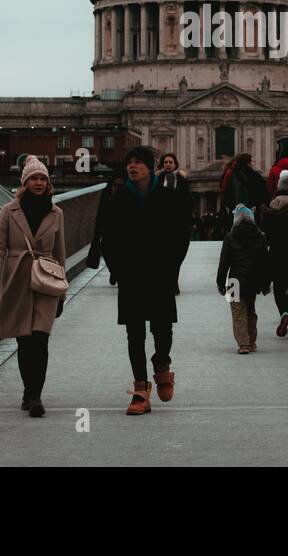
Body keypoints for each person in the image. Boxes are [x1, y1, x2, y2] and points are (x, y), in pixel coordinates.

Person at [100, 145, 192, 415]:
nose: (132, 166)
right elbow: (108, 236)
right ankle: (140, 390)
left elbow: (180, 233)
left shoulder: (167, 197)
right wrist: (116, 269)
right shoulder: (118, 198)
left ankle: (162, 365)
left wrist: (172, 265)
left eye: (138, 162)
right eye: (129, 162)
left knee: (162, 330)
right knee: (134, 334)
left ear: (150, 167)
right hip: (130, 276)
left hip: (160, 273)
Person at [0, 157, 66, 418]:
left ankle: (35, 396)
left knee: (40, 339)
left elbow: (61, 253)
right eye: (34, 178)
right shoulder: (9, 211)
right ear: (25, 182)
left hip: (46, 280)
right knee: (24, 339)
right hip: (17, 278)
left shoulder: (57, 213)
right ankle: (28, 390)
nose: (39, 183)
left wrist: (62, 291)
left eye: (43, 178)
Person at [259, 169, 288, 339]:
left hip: (276, 254)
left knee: (279, 288)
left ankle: (284, 312)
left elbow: (265, 231)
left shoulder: (271, 207)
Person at [216, 204, 270, 354]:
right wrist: (265, 284)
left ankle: (243, 343)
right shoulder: (260, 237)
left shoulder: (230, 237)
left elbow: (224, 263)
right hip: (253, 279)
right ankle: (252, 341)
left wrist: (220, 283)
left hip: (234, 280)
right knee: (251, 310)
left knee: (237, 312)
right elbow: (265, 263)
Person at [158, 152, 192, 294]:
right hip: (161, 224)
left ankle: (173, 281)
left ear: (175, 164)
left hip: (179, 223)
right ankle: (169, 283)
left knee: (177, 255)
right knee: (164, 255)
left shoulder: (181, 180)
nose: (168, 165)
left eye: (170, 162)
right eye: (165, 162)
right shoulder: (157, 179)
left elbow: (188, 200)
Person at [88, 171, 124, 285]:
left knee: (120, 254)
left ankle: (118, 273)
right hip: (108, 229)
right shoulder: (106, 193)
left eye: (120, 185)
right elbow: (100, 211)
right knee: (108, 253)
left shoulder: (127, 195)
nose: (117, 188)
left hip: (123, 231)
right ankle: (114, 272)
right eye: (115, 185)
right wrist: (97, 231)